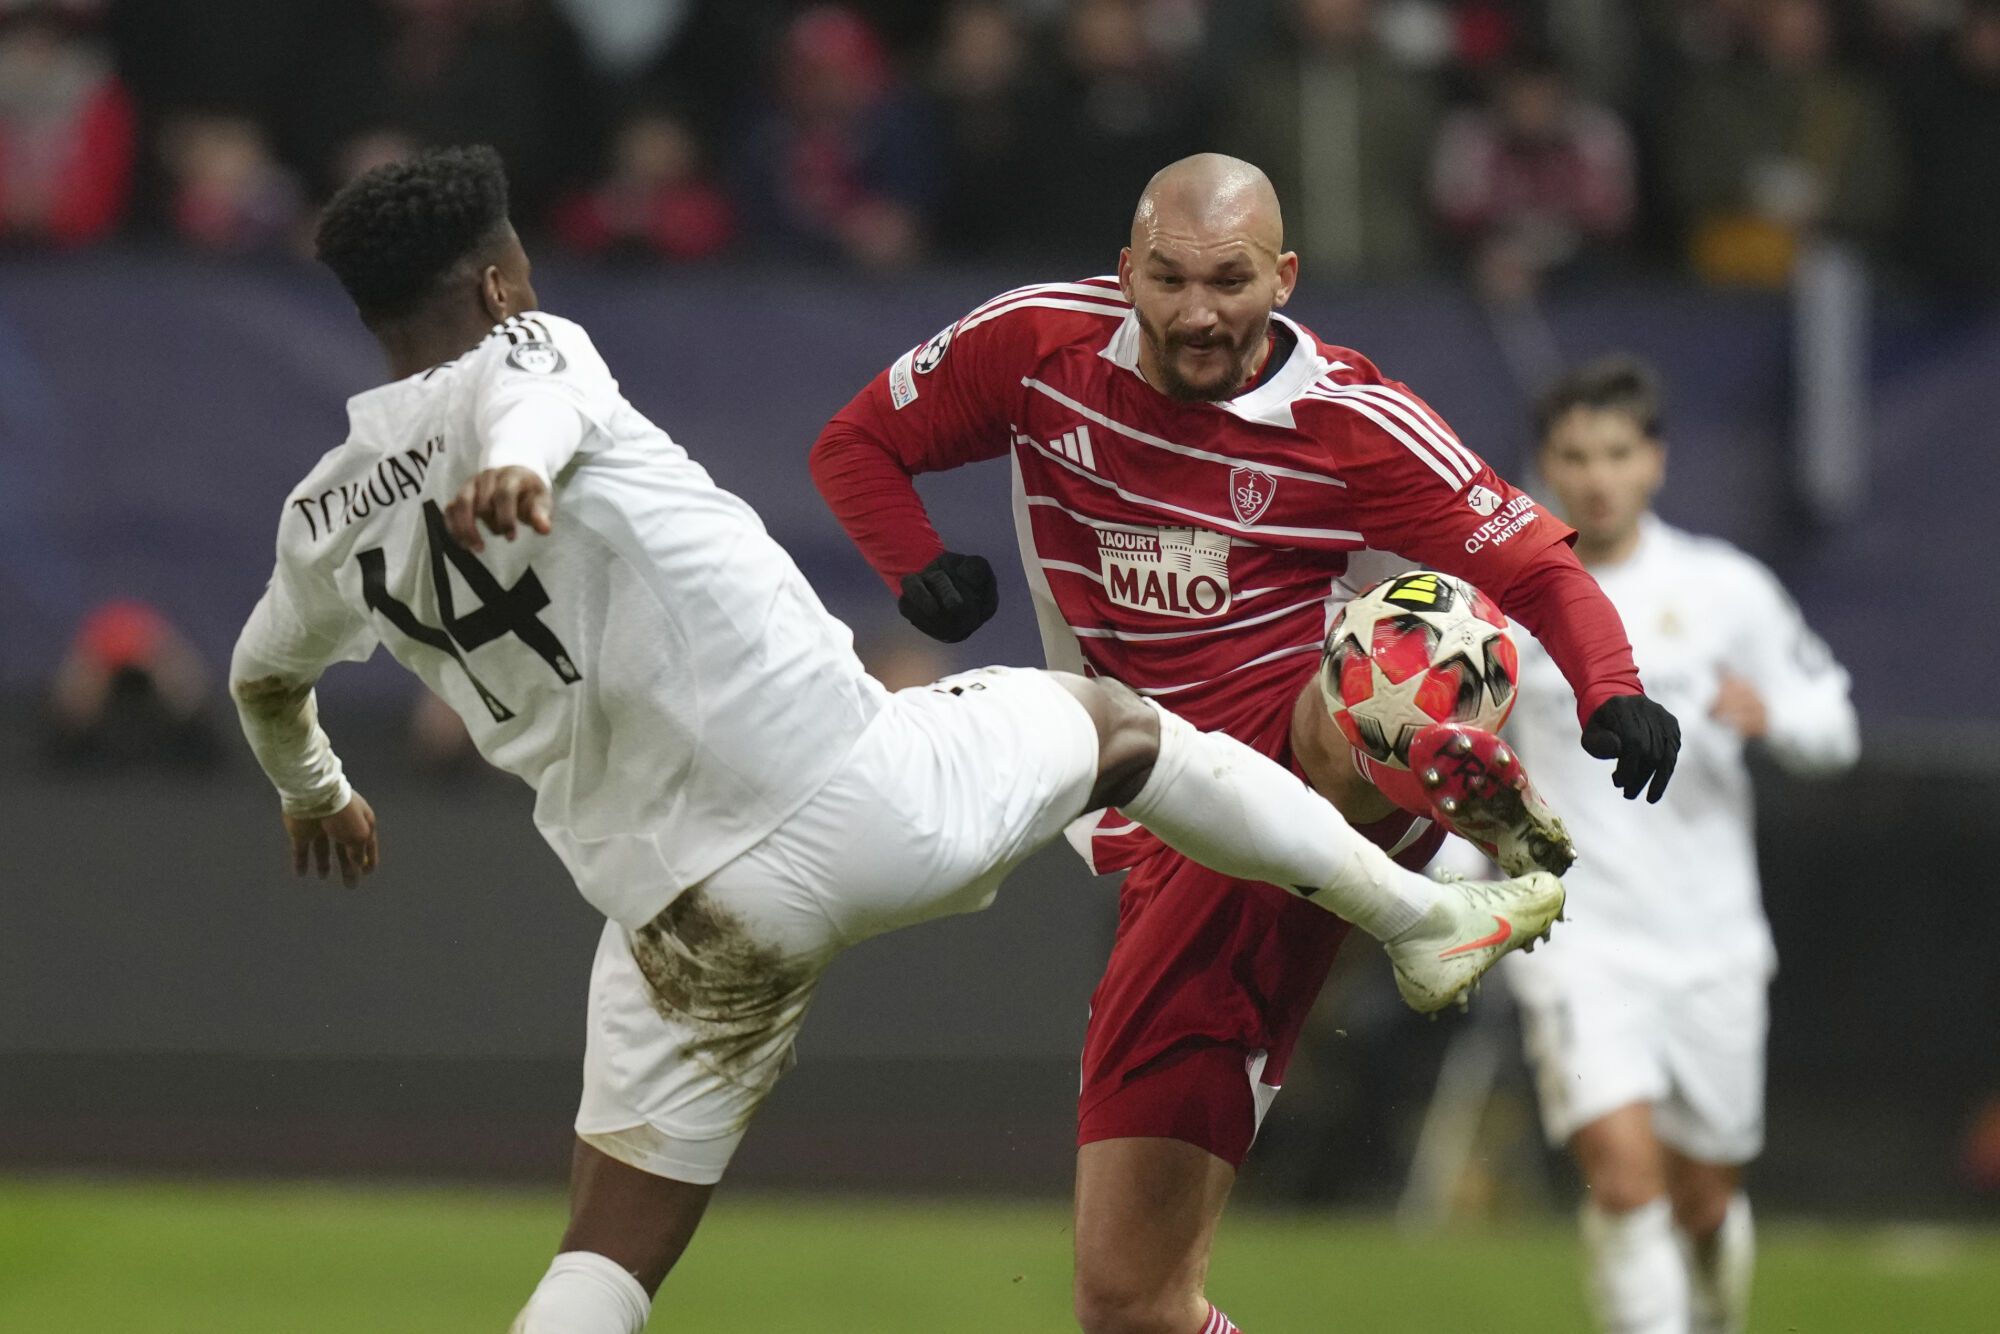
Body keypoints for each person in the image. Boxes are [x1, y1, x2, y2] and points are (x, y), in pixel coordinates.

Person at [228, 146, 1566, 1334]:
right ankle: (1416, 916)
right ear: (508, 280)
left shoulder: (316, 520)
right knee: (1120, 722)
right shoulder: (531, 355)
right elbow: (530, 407)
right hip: (848, 792)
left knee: (607, 1258)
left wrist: (318, 786)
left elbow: (260, 677)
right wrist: (515, 460)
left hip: (673, 908)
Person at [809, 152, 1681, 1334]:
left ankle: (1425, 830)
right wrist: (913, 564)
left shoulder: (1347, 422)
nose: (1195, 311)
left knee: (1402, 644)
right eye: (1166, 278)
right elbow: (854, 445)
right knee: (1131, 1304)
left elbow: (1530, 559)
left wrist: (1609, 687)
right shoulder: (1037, 349)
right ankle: (1419, 873)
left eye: (1226, 281)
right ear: (1126, 269)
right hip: (1146, 820)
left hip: (1281, 778)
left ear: (1283, 277)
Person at [1501, 356, 1858, 1334]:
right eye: (1573, 454)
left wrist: (1776, 713)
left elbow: (1833, 724)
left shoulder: (1722, 588)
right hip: (1576, 936)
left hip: (1707, 939)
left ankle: (1711, 1307)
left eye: (1615, 451)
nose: (1595, 475)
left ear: (1652, 459)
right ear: (1545, 463)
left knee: (1701, 1196)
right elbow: (1472, 759)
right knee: (1623, 1180)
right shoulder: (1506, 601)